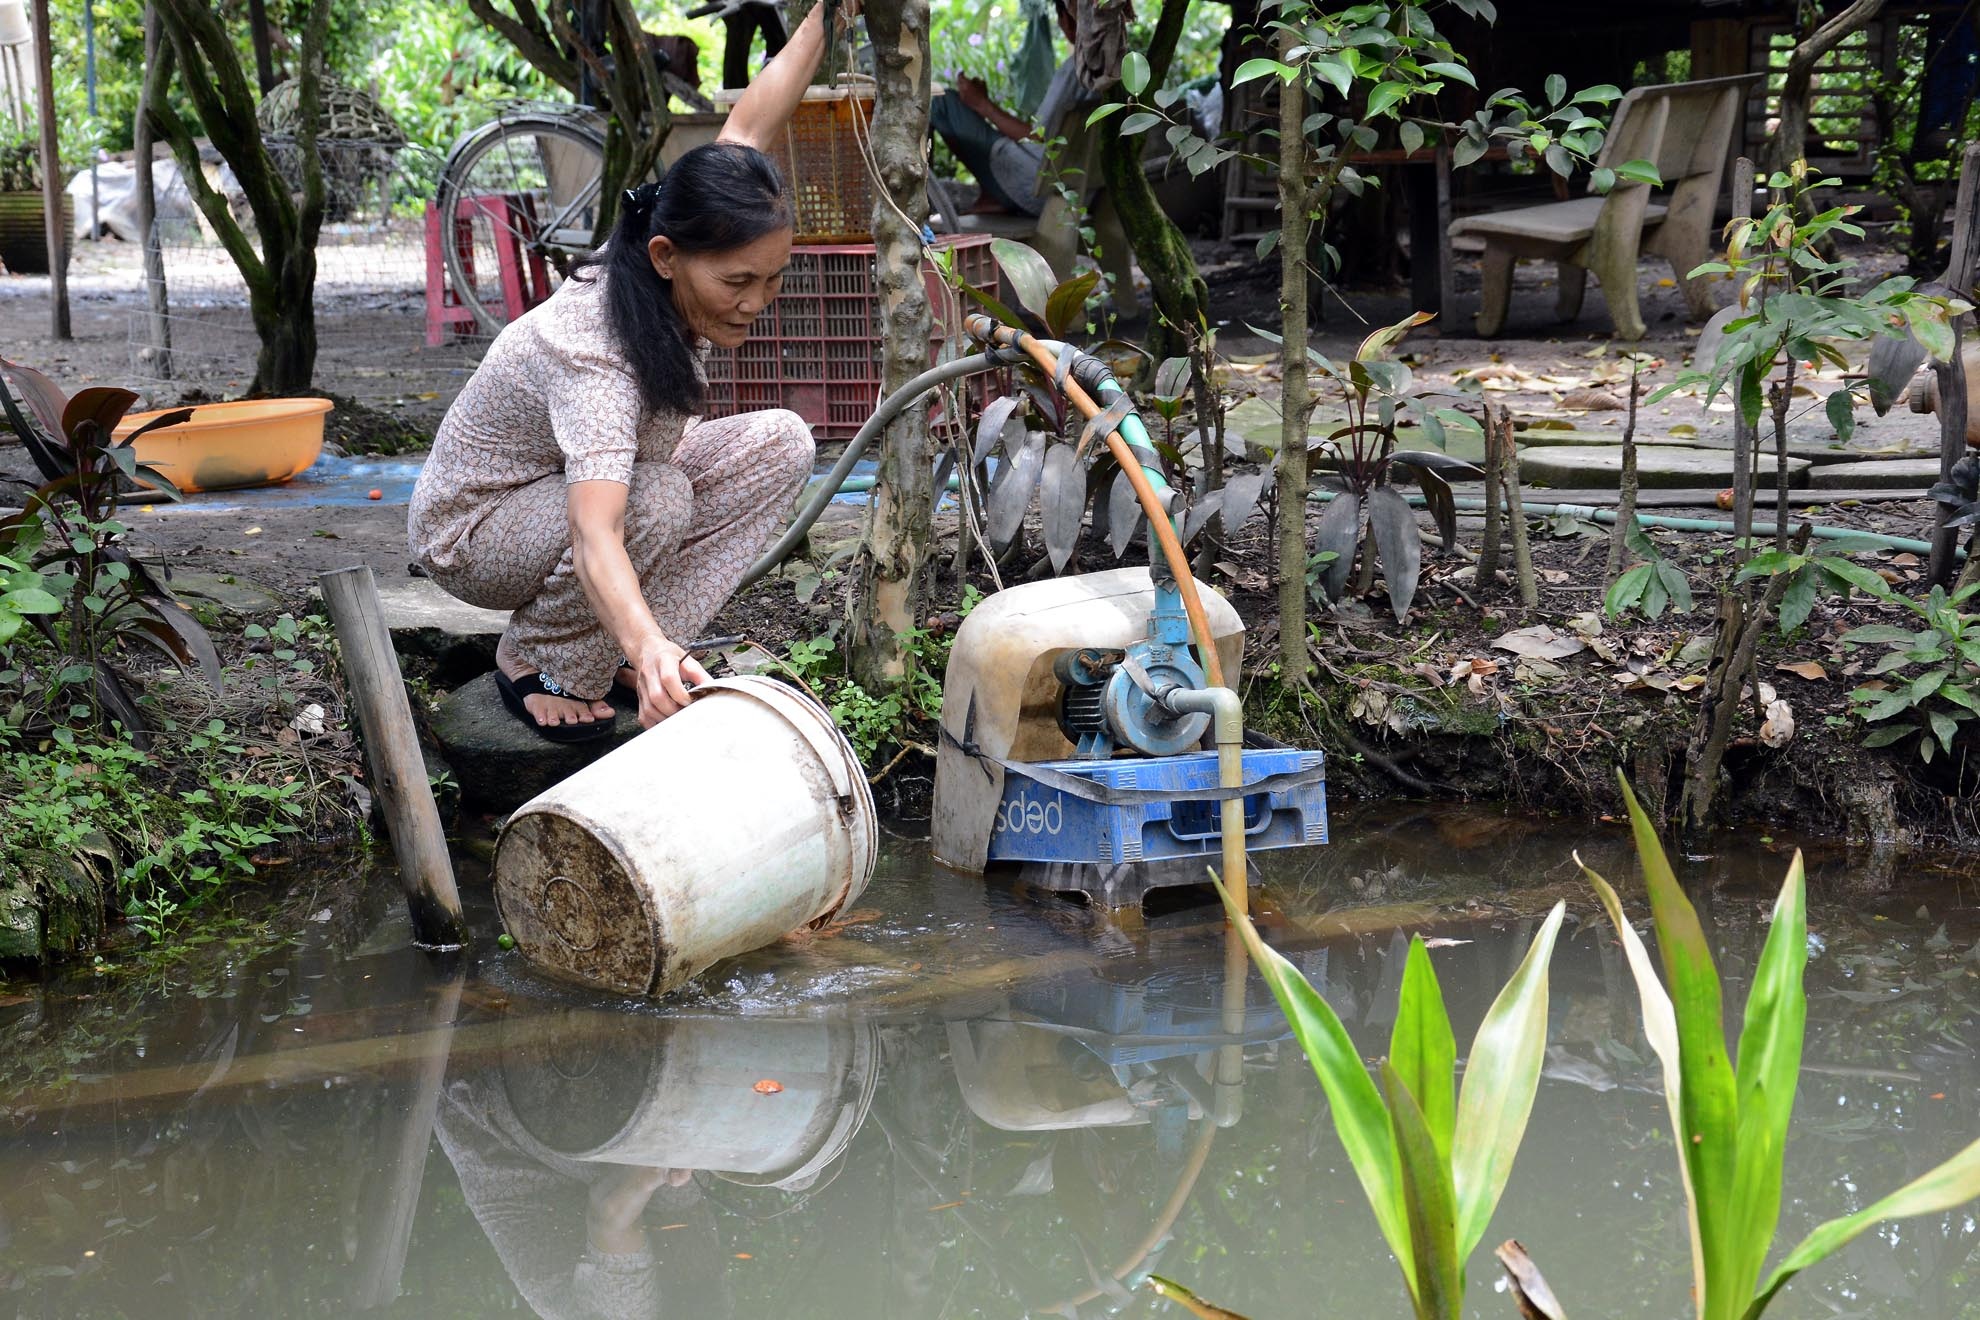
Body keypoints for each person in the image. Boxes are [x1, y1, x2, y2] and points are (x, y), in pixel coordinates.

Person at [408, 0, 859, 742]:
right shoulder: (596, 351)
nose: (756, 304)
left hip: (567, 492)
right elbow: (596, 531)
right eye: (737, 283)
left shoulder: (685, 240)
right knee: (654, 500)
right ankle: (544, 659)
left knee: (782, 443)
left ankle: (623, 656)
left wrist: (825, 17)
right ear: (665, 258)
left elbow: (748, 127)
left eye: (772, 280)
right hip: (475, 531)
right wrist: (650, 644)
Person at [930, 0, 1090, 217]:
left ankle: (989, 194)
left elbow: (1038, 137)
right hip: (1085, 191)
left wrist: (982, 105)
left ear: (1066, 20)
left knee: (941, 102)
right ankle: (990, 193)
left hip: (1039, 189)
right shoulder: (1116, 67)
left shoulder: (1075, 70)